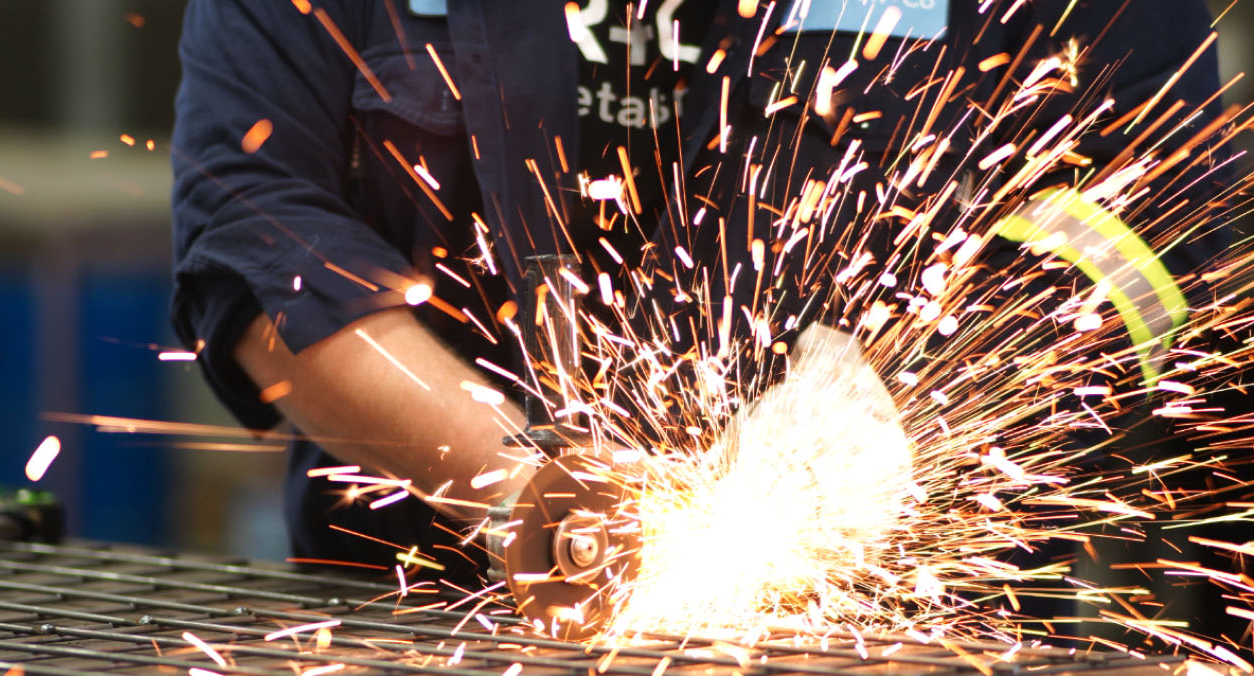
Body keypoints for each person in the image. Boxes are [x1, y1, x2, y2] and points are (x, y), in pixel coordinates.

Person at [170, 0, 1230, 576]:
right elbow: (252, 225)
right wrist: (510, 484)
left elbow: (1155, 236)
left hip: (909, 627)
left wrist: (894, 414)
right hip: (424, 614)